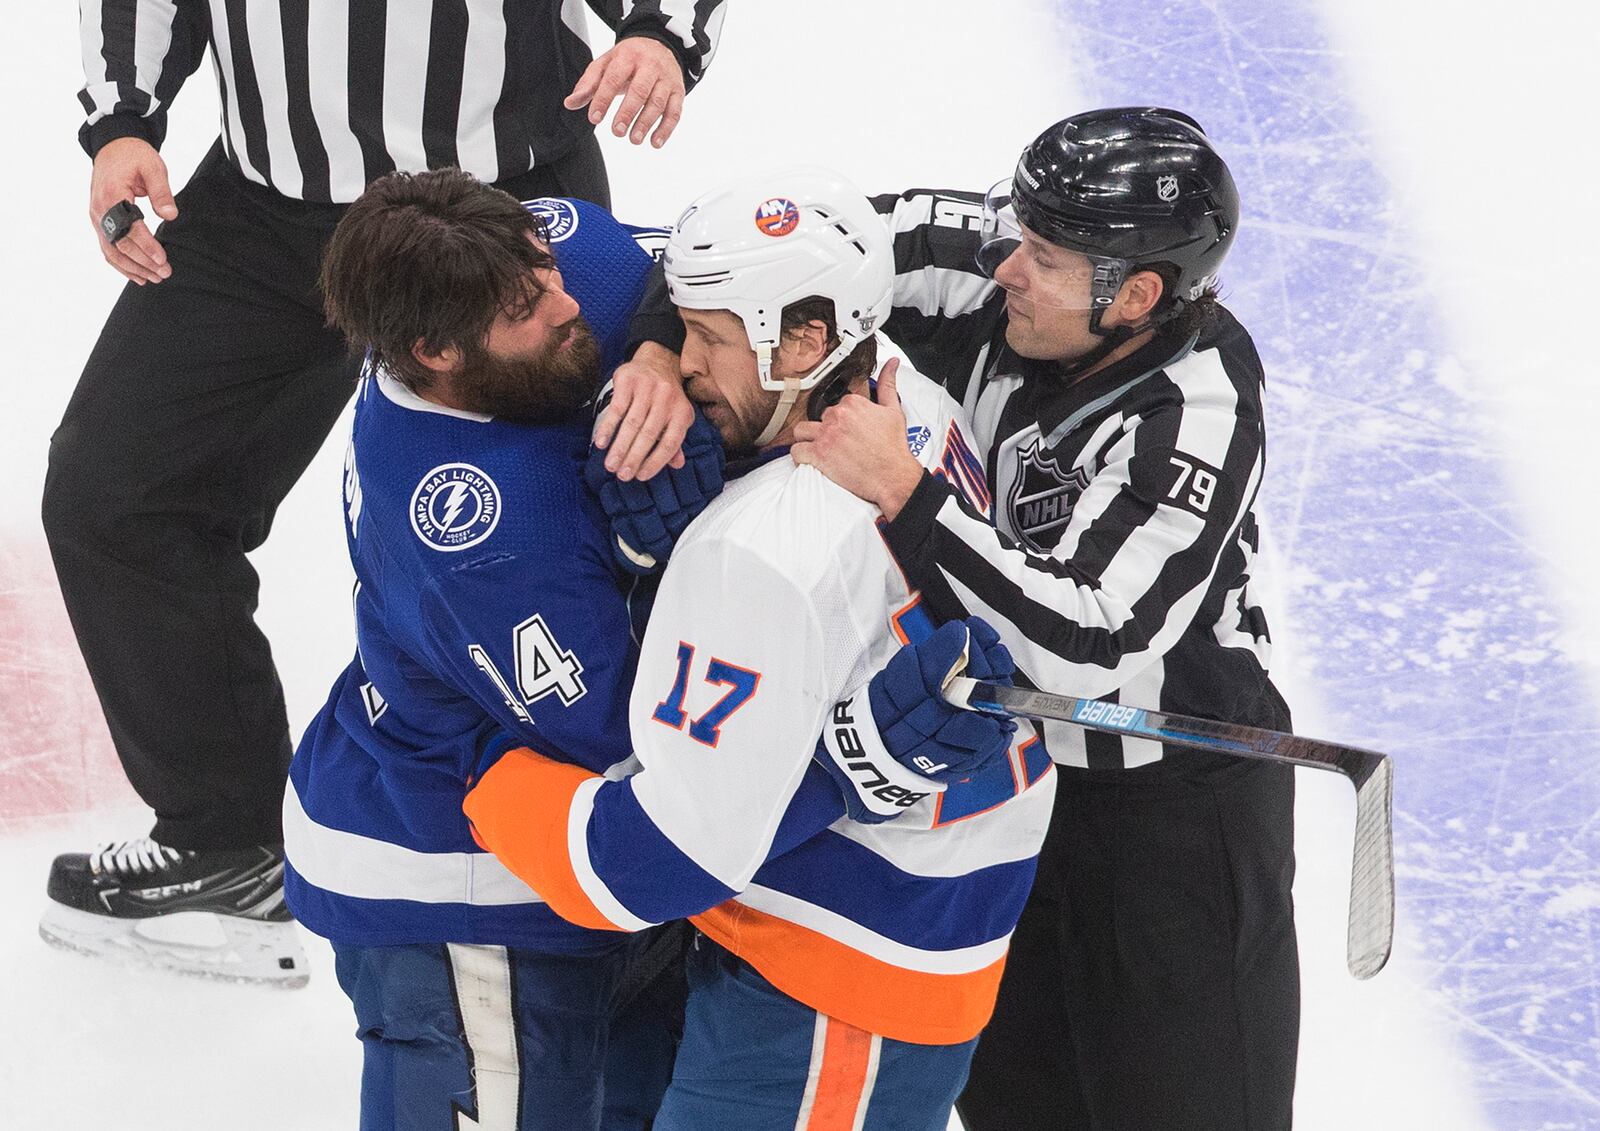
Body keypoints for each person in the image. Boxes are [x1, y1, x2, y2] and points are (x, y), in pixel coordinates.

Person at [596, 109, 1300, 1130]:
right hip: (999, 787)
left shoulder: (1195, 410)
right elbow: (736, 258)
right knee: (1018, 1103)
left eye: (1044, 256)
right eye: (1018, 232)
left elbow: (1088, 646)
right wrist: (662, 353)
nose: (1007, 264)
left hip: (1169, 818)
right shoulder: (991, 256)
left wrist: (908, 491)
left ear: (1134, 295)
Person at [293, 168, 1003, 1131]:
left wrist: (660, 352)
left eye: (546, 270)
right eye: (526, 306)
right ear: (437, 352)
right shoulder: (483, 537)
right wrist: (855, 762)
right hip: (461, 880)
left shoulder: (553, 248)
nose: (570, 301)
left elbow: (685, 269)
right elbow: (658, 779)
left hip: (621, 902)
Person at [40, 0, 727, 983]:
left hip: (502, 210)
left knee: (626, 487)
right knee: (116, 499)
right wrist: (123, 122)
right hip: (271, 203)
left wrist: (661, 31)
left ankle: (665, 830)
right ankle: (227, 841)